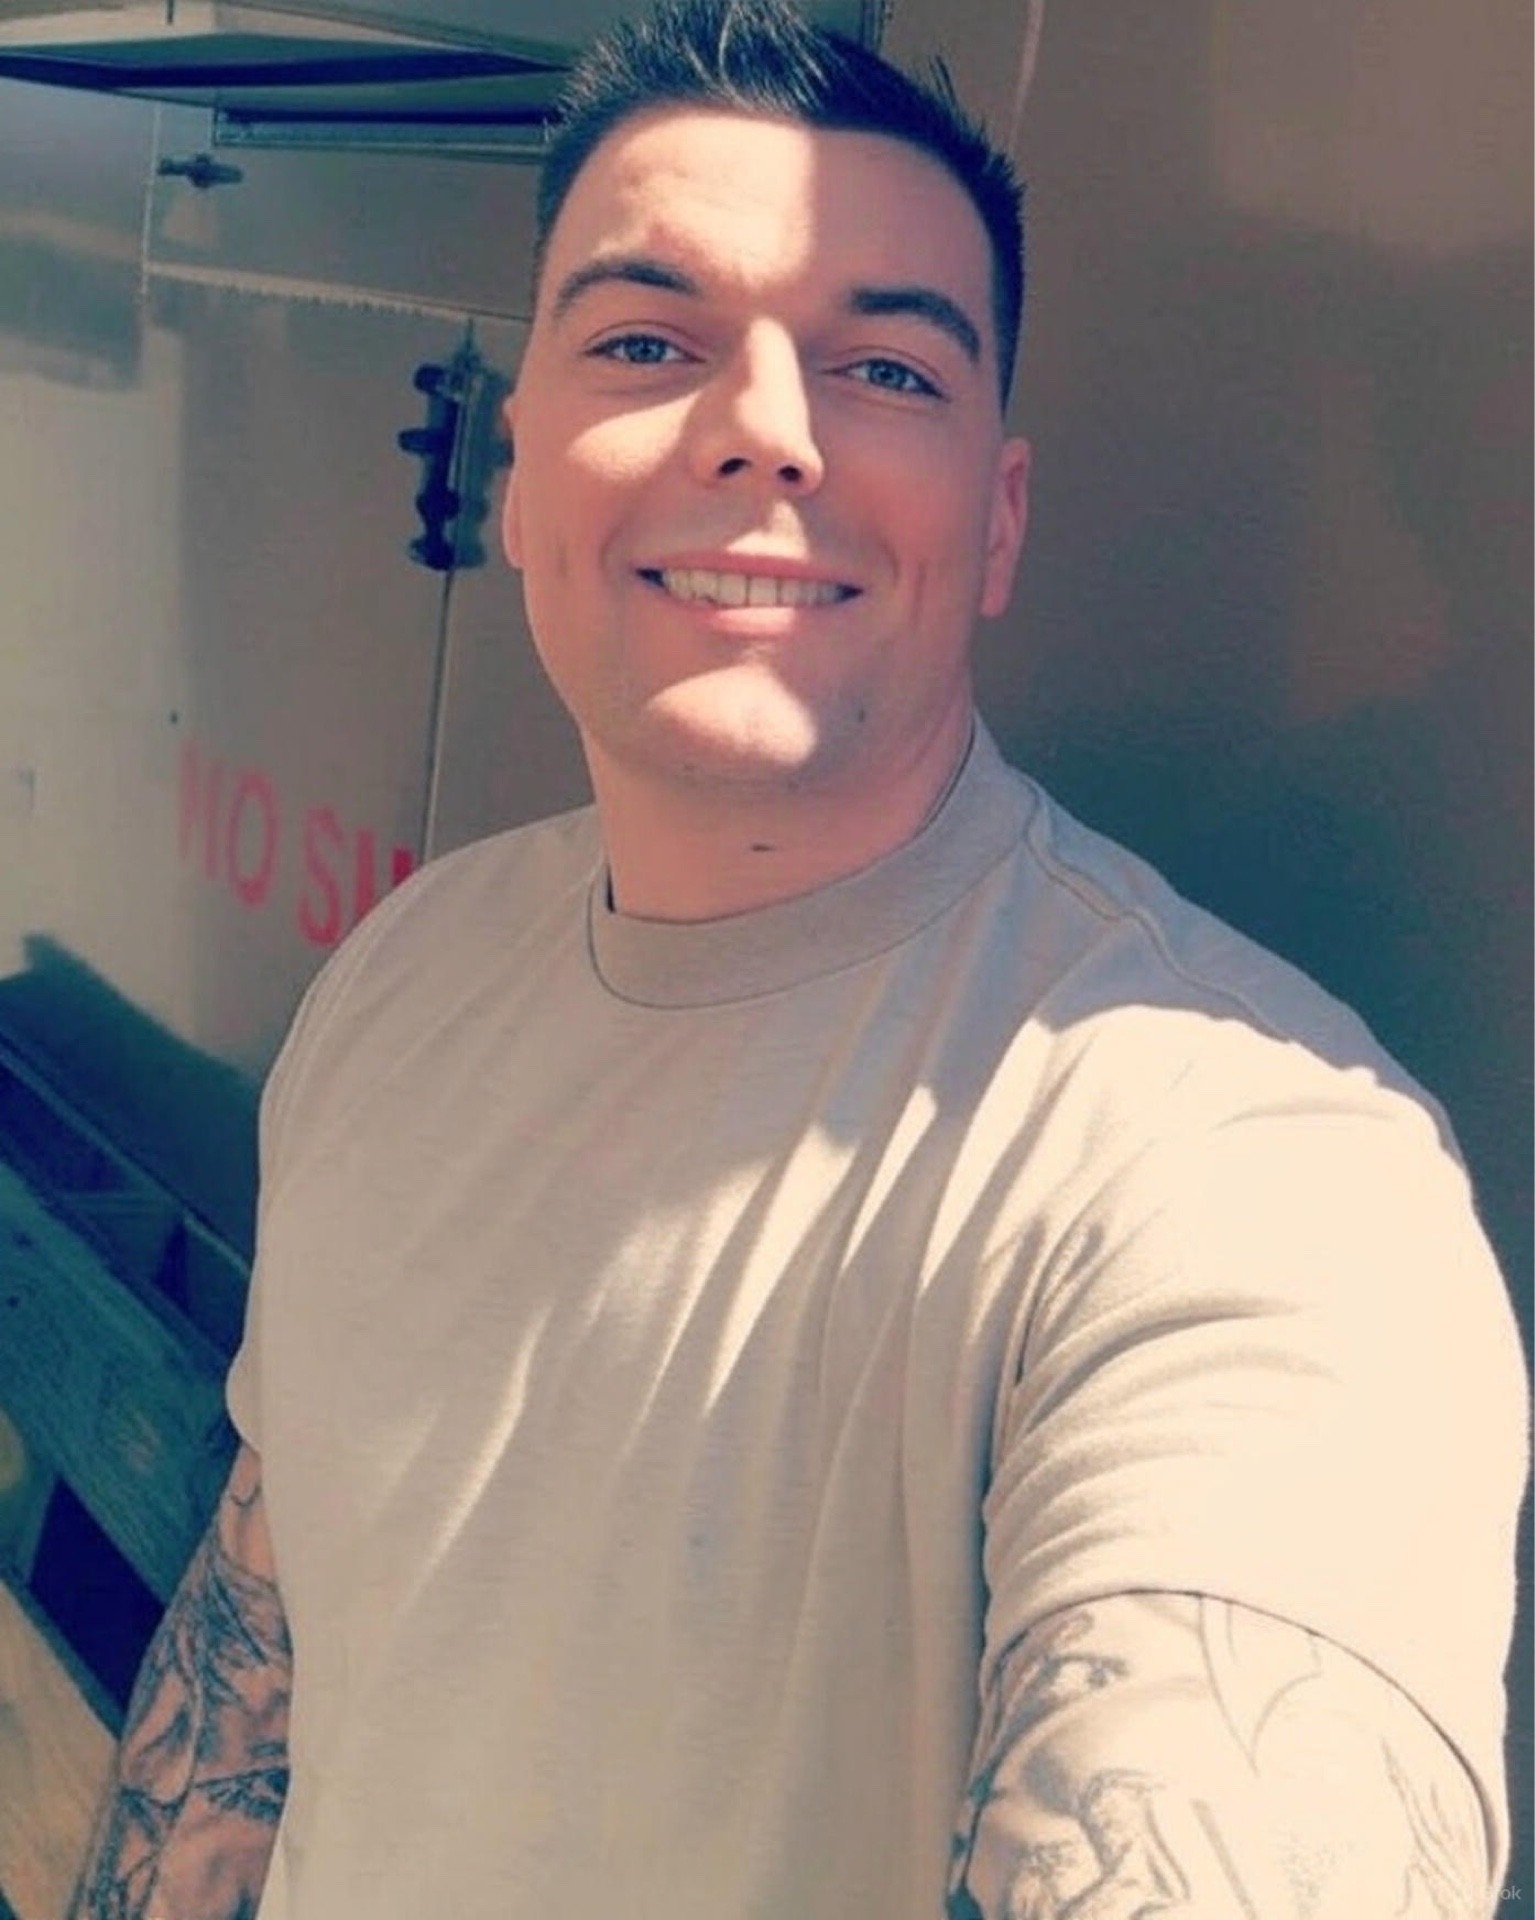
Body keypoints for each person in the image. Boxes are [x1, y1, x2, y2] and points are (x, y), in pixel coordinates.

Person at [70, 0, 1527, 1914]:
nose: (766, 427)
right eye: (647, 340)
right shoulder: (401, 980)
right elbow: (256, 1667)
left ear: (995, 524)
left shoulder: (1257, 1178)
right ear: (517, 476)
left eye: (889, 369)